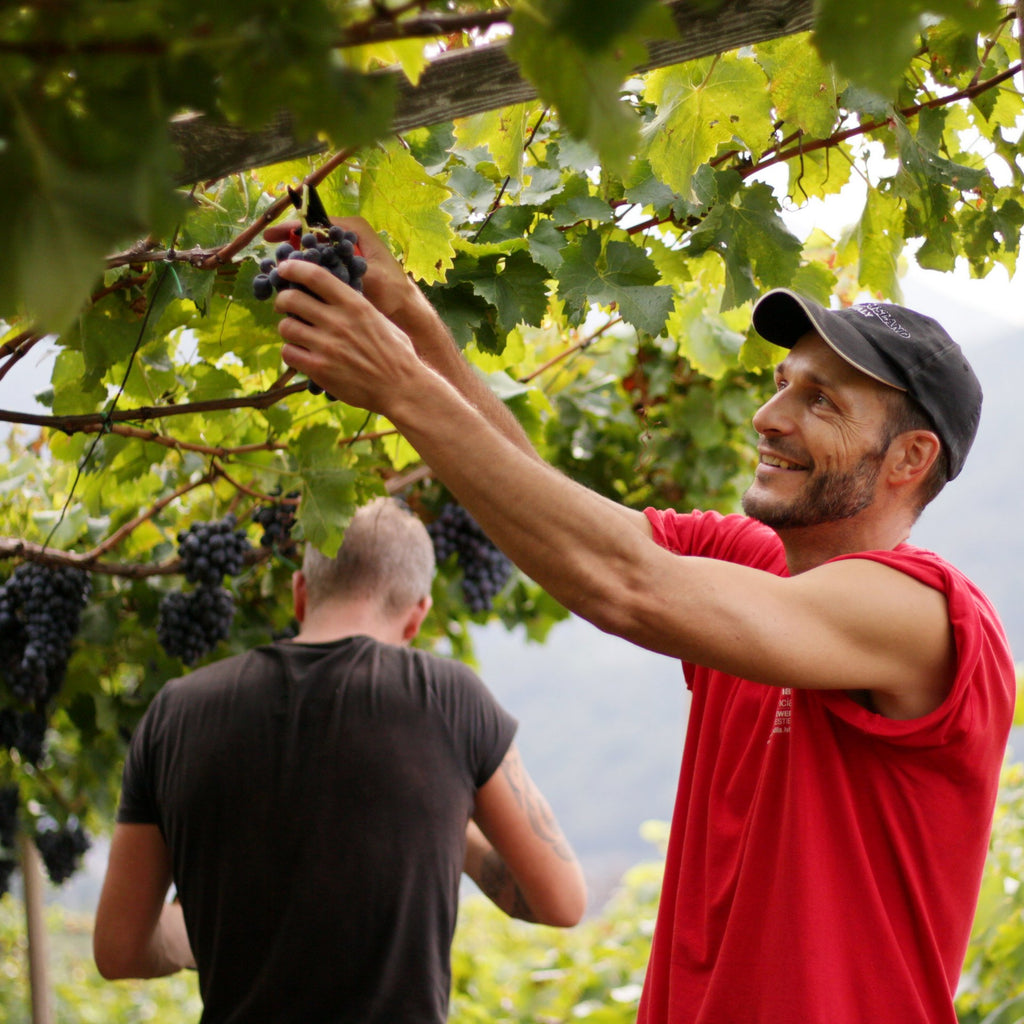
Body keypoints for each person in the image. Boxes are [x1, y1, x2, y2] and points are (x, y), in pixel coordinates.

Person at [263, 215, 1017, 1024]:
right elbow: (555, 510)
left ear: (911, 459)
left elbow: (623, 584)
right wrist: (413, 320)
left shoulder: (928, 615)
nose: (769, 415)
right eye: (783, 382)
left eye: (821, 401)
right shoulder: (752, 567)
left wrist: (400, 387)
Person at [93, 497, 586, 1023]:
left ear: (300, 593)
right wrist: (444, 816)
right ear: (417, 615)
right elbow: (562, 901)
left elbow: (119, 949)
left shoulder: (175, 713)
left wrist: (207, 930)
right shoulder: (450, 700)